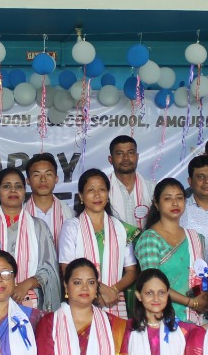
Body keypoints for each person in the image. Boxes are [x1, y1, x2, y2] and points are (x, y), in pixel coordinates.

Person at [0, 166, 60, 311]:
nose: (13, 191)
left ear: (24, 191)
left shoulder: (39, 227)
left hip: (32, 303)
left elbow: (50, 270)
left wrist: (26, 285)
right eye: (7, 186)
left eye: (18, 186)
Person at [57, 168, 136, 317]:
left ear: (108, 194)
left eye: (102, 189)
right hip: (82, 299)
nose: (97, 195)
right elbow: (67, 268)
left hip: (113, 301)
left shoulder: (121, 228)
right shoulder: (72, 226)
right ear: (81, 196)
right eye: (91, 190)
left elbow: (131, 271)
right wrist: (98, 289)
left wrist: (113, 290)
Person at [133, 178, 208, 321]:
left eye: (179, 198)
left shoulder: (195, 237)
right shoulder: (150, 239)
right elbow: (152, 285)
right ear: (156, 204)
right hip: (162, 317)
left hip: (196, 317)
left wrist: (203, 299)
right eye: (168, 199)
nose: (175, 203)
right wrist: (192, 303)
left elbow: (200, 278)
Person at [106, 135, 153, 226]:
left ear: (137, 157)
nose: (126, 158)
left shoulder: (153, 189)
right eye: (119, 154)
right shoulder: (102, 190)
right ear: (110, 159)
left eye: (130, 153)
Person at [22, 153, 67, 242]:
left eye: (48, 174)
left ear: (56, 179)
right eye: (36, 175)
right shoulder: (20, 215)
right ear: (28, 181)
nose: (43, 179)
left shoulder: (70, 215)